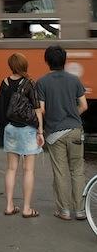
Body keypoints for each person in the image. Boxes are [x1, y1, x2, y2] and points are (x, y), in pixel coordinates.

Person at [36, 45, 88, 221]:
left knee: (61, 172)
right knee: (77, 170)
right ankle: (81, 210)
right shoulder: (74, 80)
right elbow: (84, 106)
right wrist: (72, 116)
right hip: (75, 130)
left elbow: (41, 110)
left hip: (55, 133)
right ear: (64, 61)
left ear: (47, 61)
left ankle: (64, 210)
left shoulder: (42, 82)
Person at [0, 52, 44, 217]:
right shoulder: (29, 83)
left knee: (11, 168)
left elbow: (1, 110)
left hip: (10, 128)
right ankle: (26, 208)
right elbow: (37, 109)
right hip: (28, 129)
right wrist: (40, 131)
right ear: (24, 65)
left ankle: (9, 205)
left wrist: (7, 127)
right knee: (28, 170)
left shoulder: (4, 83)